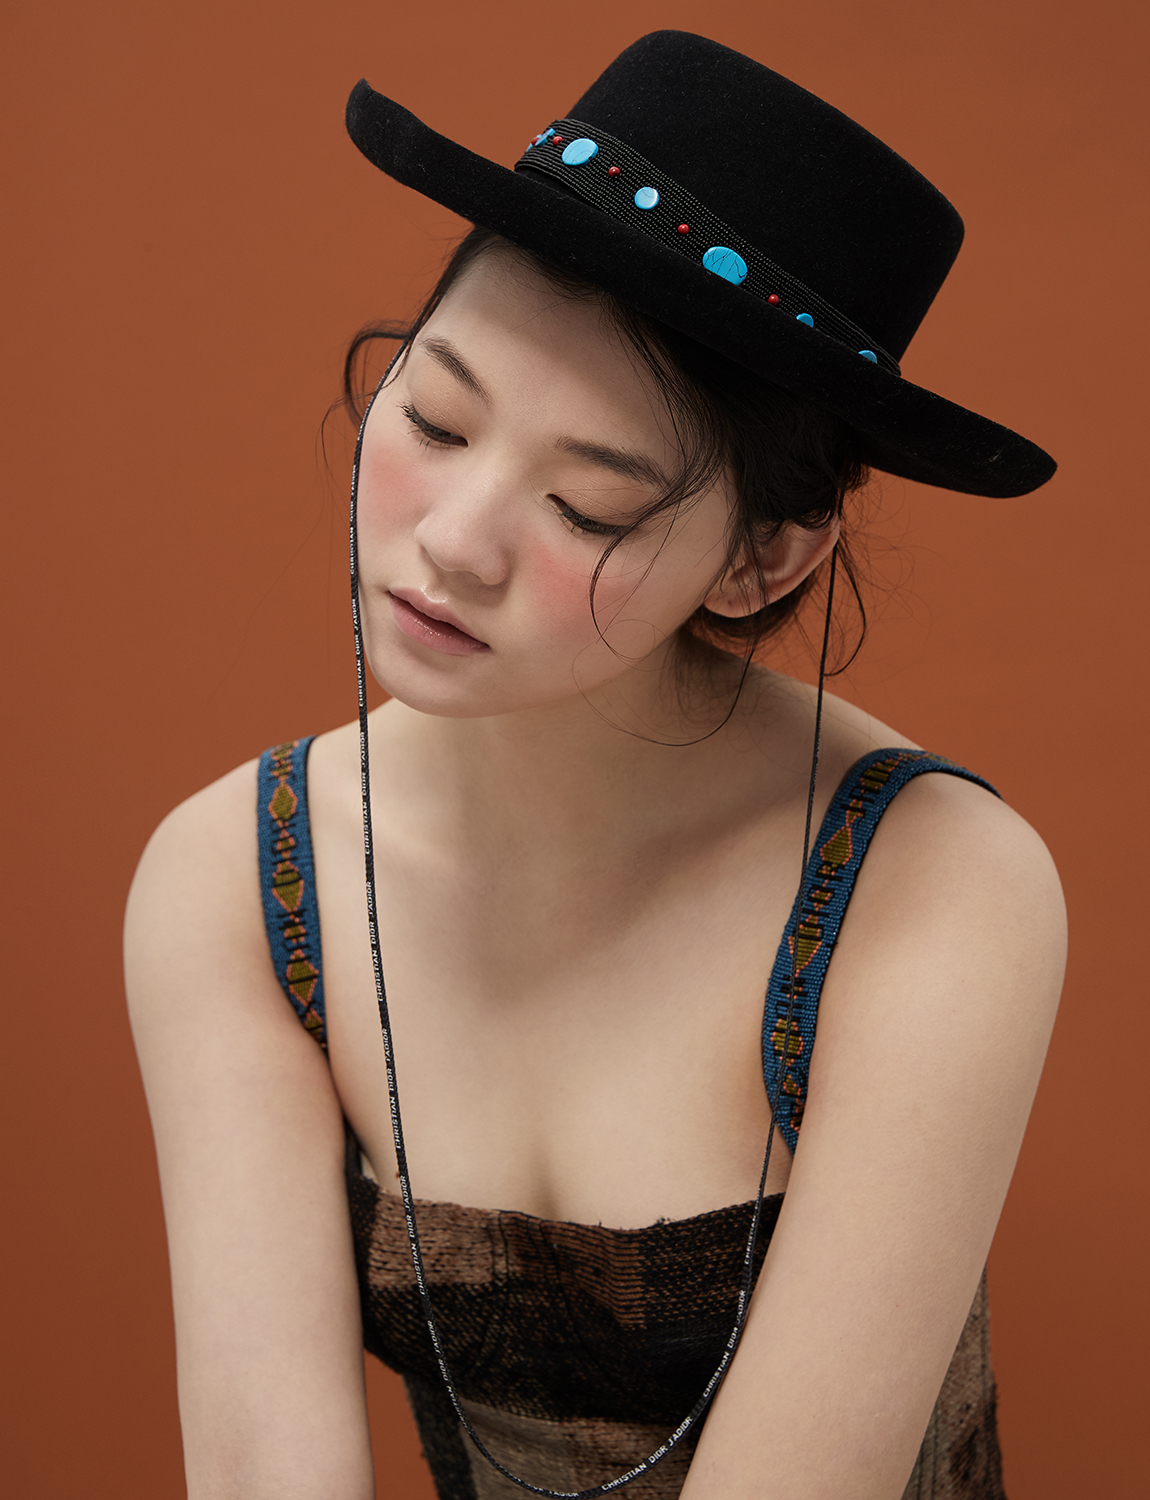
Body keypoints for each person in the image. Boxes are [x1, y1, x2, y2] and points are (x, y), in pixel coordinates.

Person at [124, 30, 1066, 1500]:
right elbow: (263, 1468)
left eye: (588, 508)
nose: (454, 541)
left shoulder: (929, 884)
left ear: (762, 560)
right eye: (435, 419)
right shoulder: (239, 881)